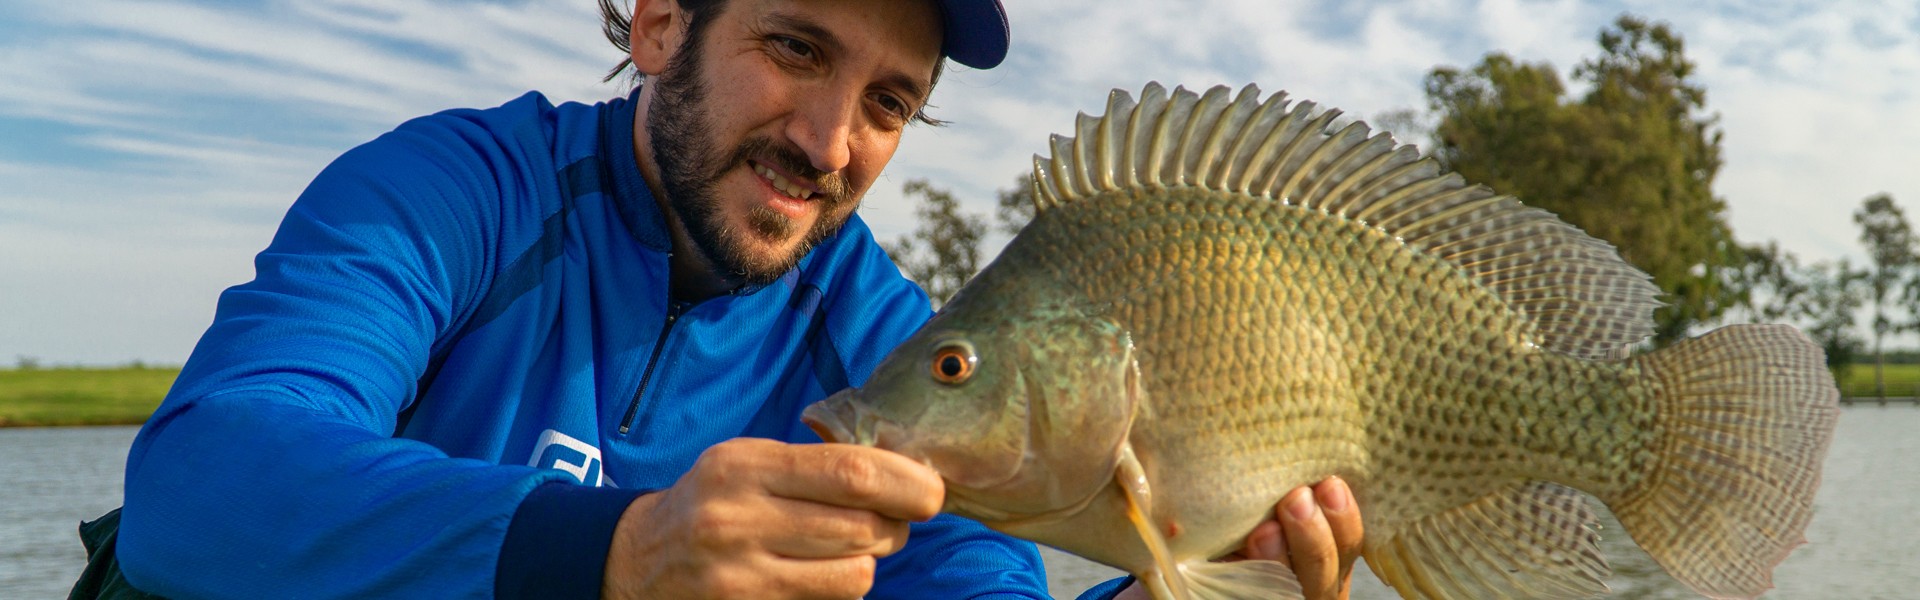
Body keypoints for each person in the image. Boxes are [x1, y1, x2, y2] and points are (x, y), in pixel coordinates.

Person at [86, 0, 1363, 598]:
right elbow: (200, 491)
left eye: (887, 102)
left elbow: (967, 588)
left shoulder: (886, 344)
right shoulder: (450, 190)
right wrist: (622, 552)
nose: (827, 139)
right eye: (797, 48)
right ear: (655, 27)